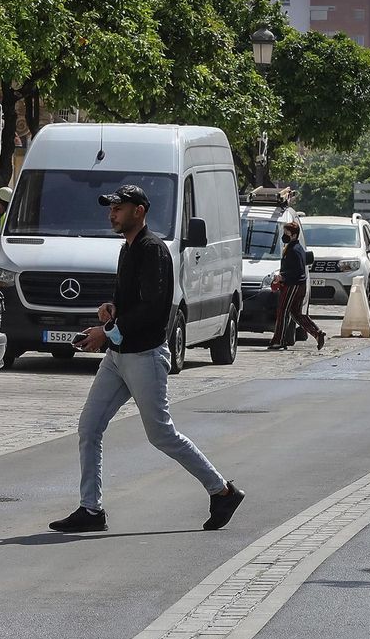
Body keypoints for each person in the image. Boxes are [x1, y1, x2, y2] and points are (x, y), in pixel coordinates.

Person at [49, 184, 244, 534]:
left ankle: (222, 491)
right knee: (89, 427)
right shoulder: (128, 248)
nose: (112, 214)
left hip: (145, 357)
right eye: (111, 209)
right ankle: (91, 510)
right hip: (118, 356)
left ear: (139, 211)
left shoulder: (153, 250)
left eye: (118, 208)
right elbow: (131, 300)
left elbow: (154, 308)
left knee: (161, 435)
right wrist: (111, 308)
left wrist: (105, 332)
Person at [266, 220, 326, 351]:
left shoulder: (295, 250)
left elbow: (298, 270)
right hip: (297, 284)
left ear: (294, 235)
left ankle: (279, 340)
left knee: (283, 312)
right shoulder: (291, 248)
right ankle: (317, 333)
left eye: (287, 234)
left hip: (293, 285)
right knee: (296, 313)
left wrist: (282, 277)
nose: (284, 236)